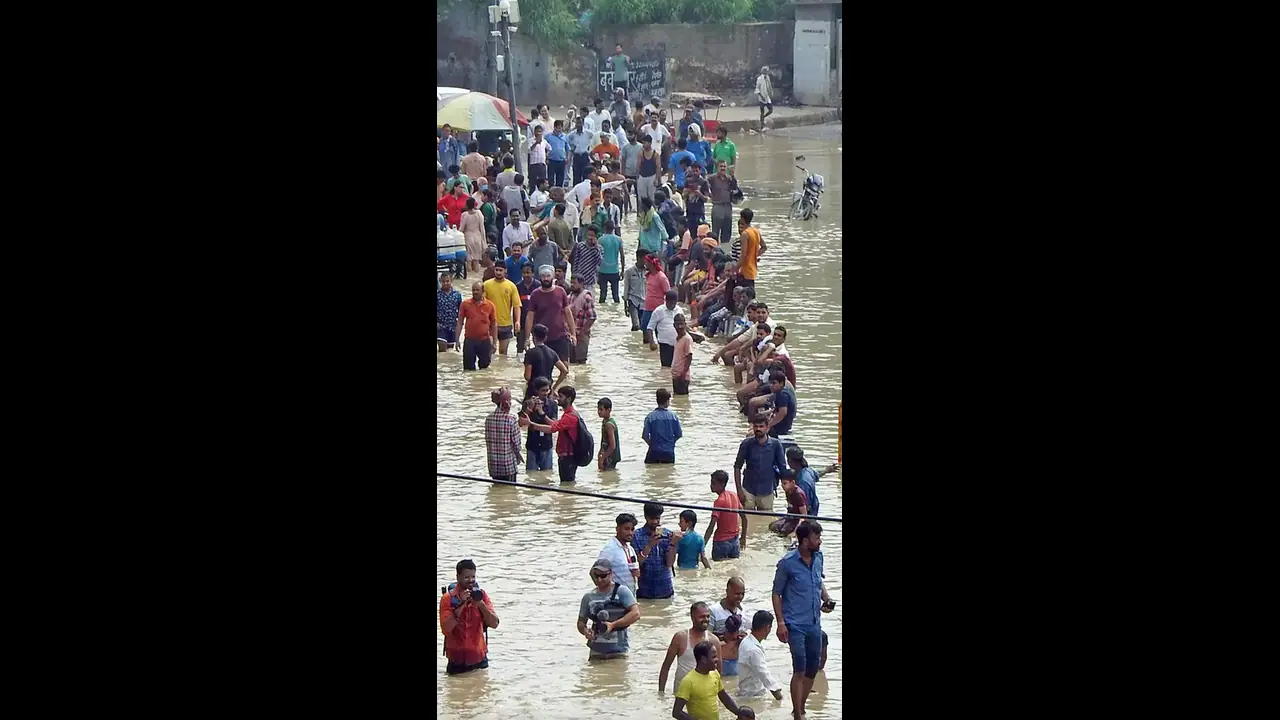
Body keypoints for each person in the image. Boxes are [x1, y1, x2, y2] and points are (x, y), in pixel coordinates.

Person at [772, 521, 834, 720]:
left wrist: (827, 599)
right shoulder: (787, 563)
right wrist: (781, 623)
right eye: (817, 538)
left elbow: (818, 582)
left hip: (815, 622)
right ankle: (798, 714)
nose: (820, 541)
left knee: (812, 669)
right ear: (805, 541)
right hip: (795, 624)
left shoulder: (818, 557)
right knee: (799, 668)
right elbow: (776, 594)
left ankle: (800, 707)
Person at [439, 558, 501, 675]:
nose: (470, 580)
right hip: (456, 662)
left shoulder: (481, 595)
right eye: (466, 577)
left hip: (479, 660)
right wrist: (461, 603)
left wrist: (480, 604)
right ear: (458, 577)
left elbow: (495, 624)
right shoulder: (448, 599)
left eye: (473, 577)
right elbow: (446, 629)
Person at [673, 641, 754, 720]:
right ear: (704, 659)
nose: (717, 660)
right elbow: (676, 712)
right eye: (714, 657)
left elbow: (724, 697)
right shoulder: (688, 681)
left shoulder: (714, 674)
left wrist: (739, 713)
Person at [578, 558, 641, 659]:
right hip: (596, 651)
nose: (599, 579)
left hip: (619, 651)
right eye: (596, 576)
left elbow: (636, 614)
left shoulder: (622, 591)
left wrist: (613, 625)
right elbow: (581, 622)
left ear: (611, 574)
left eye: (603, 576)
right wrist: (585, 630)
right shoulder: (588, 597)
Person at [518, 385, 582, 484]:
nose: (557, 398)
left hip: (567, 456)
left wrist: (531, 424)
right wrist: (539, 412)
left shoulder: (569, 416)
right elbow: (556, 425)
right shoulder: (569, 414)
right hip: (564, 455)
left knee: (566, 485)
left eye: (560, 396)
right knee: (566, 485)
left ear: (568, 399)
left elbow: (553, 429)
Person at [660, 602, 722, 694]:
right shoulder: (680, 637)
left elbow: (718, 671)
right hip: (681, 692)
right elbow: (666, 666)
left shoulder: (714, 640)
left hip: (704, 692)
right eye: (701, 617)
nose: (706, 620)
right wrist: (661, 693)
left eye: (708, 616)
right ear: (692, 618)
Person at [525, 265, 576, 361]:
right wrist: (527, 338)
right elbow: (530, 317)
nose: (546, 278)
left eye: (548, 276)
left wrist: (573, 334)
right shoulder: (535, 294)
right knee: (543, 368)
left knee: (564, 367)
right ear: (540, 277)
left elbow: (568, 313)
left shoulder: (560, 291)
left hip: (561, 335)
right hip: (541, 337)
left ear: (552, 277)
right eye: (543, 276)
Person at [735, 417, 785, 510]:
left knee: (766, 518)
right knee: (746, 517)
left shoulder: (776, 445)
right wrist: (739, 490)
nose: (758, 429)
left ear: (767, 428)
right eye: (756, 426)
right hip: (748, 489)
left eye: (761, 426)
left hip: (767, 490)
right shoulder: (746, 444)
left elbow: (782, 468)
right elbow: (737, 467)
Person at [631, 502, 677, 599]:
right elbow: (636, 564)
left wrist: (673, 544)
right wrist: (650, 545)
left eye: (658, 518)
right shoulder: (636, 536)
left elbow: (669, 563)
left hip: (665, 589)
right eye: (652, 519)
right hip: (644, 590)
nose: (655, 522)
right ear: (645, 517)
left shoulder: (667, 534)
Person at [736, 610, 784, 701]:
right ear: (767, 627)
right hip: (752, 696)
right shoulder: (753, 650)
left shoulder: (746, 641)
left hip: (746, 692)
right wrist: (780, 698)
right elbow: (765, 675)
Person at [455, 280, 497, 371]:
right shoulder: (465, 304)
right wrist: (457, 340)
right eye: (473, 290)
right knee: (468, 370)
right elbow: (460, 322)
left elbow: (494, 324)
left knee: (485, 368)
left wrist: (494, 342)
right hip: (469, 341)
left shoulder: (490, 305)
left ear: (483, 291)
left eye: (477, 290)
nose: (475, 292)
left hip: (484, 341)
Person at [709, 577, 747, 677]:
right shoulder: (713, 611)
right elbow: (706, 639)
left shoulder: (742, 610)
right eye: (737, 593)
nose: (740, 597)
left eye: (742, 593)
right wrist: (724, 638)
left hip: (739, 661)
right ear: (727, 591)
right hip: (721, 662)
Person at [484, 387, 523, 482]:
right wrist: (519, 457)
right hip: (508, 466)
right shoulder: (511, 419)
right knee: (510, 492)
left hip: (493, 466)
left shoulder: (488, 419)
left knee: (497, 491)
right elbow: (516, 444)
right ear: (506, 402)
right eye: (509, 399)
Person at [787, 446, 839, 518]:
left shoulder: (803, 482)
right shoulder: (808, 470)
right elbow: (817, 474)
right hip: (814, 508)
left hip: (807, 513)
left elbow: (804, 504)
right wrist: (827, 470)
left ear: (790, 461)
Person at [703, 470, 745, 558]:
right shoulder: (734, 495)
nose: (711, 485)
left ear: (722, 484)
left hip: (721, 542)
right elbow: (744, 519)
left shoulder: (719, 502)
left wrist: (702, 546)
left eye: (714, 483)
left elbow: (711, 526)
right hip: (735, 542)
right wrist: (743, 537)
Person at [483, 263, 521, 356]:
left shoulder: (511, 286)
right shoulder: (486, 285)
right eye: (497, 270)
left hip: (506, 324)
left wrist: (518, 321)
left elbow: (517, 305)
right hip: (490, 324)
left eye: (501, 270)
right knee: (490, 352)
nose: (498, 273)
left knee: (503, 353)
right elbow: (481, 304)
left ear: (505, 271)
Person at [523, 375, 559, 472]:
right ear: (536, 391)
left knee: (547, 475)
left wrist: (542, 413)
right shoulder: (528, 403)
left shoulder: (553, 405)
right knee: (531, 475)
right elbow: (520, 423)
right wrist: (529, 409)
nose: (546, 393)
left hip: (546, 445)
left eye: (547, 390)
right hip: (532, 445)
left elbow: (554, 425)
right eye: (543, 390)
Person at [596, 512, 640, 591]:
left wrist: (637, 573)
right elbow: (595, 572)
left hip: (630, 597)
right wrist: (604, 593)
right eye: (626, 529)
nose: (630, 533)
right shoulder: (610, 549)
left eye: (632, 529)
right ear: (617, 529)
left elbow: (636, 572)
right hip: (615, 598)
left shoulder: (630, 549)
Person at [523, 323, 568, 398]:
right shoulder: (552, 352)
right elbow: (564, 371)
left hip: (534, 391)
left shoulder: (530, 353)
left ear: (533, 337)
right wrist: (553, 388)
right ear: (545, 338)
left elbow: (527, 376)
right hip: (547, 390)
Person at [641, 388, 682, 464]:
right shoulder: (673, 417)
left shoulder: (650, 417)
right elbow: (679, 435)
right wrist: (671, 443)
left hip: (654, 452)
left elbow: (645, 436)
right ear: (667, 401)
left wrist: (652, 444)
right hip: (668, 453)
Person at [707, 161, 740, 248]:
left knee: (727, 231)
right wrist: (709, 195)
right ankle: (714, 248)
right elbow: (704, 185)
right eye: (721, 166)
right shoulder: (712, 178)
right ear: (717, 167)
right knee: (715, 231)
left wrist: (733, 175)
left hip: (728, 206)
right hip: (717, 206)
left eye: (724, 166)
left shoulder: (729, 178)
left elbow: (735, 188)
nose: (723, 168)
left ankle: (725, 249)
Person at [567, 273, 596, 364]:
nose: (572, 285)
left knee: (581, 361)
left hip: (582, 334)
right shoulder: (570, 297)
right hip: (570, 334)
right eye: (571, 282)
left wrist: (582, 331)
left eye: (574, 283)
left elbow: (592, 317)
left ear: (581, 284)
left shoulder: (586, 298)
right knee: (570, 361)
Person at [769, 471, 810, 536]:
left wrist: (797, 530)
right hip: (790, 517)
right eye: (782, 484)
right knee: (772, 526)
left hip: (797, 519)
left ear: (793, 482)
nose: (782, 486)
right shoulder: (788, 491)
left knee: (783, 532)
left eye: (785, 483)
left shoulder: (798, 495)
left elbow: (804, 515)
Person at [647, 289, 681, 367]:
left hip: (678, 344)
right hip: (665, 344)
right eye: (670, 303)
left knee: (677, 367)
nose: (672, 305)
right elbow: (650, 328)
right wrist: (652, 342)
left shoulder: (679, 310)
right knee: (666, 367)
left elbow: (684, 326)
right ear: (666, 301)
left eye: (674, 303)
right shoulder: (658, 311)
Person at [597, 220, 624, 303]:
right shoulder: (619, 240)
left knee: (602, 295)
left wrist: (596, 272)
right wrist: (622, 270)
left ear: (604, 228)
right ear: (614, 228)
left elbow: (597, 256)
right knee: (616, 296)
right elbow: (622, 256)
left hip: (602, 270)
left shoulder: (600, 240)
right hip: (614, 270)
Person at [570, 224, 604, 290]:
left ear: (596, 236)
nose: (590, 237)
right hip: (579, 280)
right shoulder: (580, 246)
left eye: (592, 236)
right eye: (589, 235)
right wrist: (574, 276)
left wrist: (596, 248)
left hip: (590, 281)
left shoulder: (600, 248)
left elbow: (600, 262)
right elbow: (576, 262)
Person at [514, 263, 538, 356]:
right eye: (524, 273)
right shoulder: (518, 287)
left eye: (528, 272)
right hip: (522, 320)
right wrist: (516, 321)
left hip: (536, 320)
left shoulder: (538, 286)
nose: (526, 275)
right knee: (520, 346)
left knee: (538, 344)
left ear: (533, 273)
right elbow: (515, 306)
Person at [737, 208, 764, 290]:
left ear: (742, 218)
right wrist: (754, 255)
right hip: (753, 270)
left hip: (745, 270)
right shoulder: (755, 231)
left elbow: (743, 254)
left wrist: (736, 268)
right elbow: (764, 247)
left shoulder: (745, 234)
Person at [623, 249, 649, 332]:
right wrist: (625, 306)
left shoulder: (648, 272)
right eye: (644, 259)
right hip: (633, 301)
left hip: (644, 302)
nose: (646, 262)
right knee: (636, 324)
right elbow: (626, 288)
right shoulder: (629, 272)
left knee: (642, 325)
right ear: (638, 258)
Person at [458, 197, 487, 274]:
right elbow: (482, 228)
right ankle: (476, 278)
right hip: (478, 237)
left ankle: (469, 278)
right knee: (477, 260)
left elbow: (461, 228)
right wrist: (484, 241)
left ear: (467, 205)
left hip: (468, 238)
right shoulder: (479, 213)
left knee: (469, 260)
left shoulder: (465, 215)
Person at [766, 371, 797, 437]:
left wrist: (768, 425)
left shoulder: (782, 395)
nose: (771, 385)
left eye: (774, 383)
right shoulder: (784, 391)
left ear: (781, 383)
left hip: (781, 429)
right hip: (786, 426)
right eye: (770, 383)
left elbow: (783, 412)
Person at [437, 272, 462, 351]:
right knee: (442, 349)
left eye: (447, 281)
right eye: (443, 281)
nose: (445, 283)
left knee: (450, 352)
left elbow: (461, 310)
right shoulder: (437, 294)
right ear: (440, 281)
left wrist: (460, 323)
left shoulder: (457, 295)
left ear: (451, 280)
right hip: (440, 326)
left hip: (453, 327)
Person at [567, 115, 594, 188]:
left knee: (586, 175)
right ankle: (576, 193)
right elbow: (568, 143)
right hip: (576, 156)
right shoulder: (572, 135)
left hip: (585, 156)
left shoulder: (589, 133)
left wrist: (590, 150)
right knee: (576, 176)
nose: (578, 125)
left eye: (580, 123)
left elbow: (594, 141)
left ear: (583, 123)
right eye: (577, 123)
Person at [672, 313, 693, 395]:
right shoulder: (677, 338)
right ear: (674, 325)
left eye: (682, 324)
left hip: (682, 376)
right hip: (676, 375)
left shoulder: (687, 339)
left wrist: (683, 373)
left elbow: (689, 356)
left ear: (685, 324)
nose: (680, 326)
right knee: (678, 400)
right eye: (678, 324)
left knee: (681, 398)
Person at [597, 397, 621, 471]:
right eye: (598, 409)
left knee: (607, 476)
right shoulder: (605, 421)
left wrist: (603, 457)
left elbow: (612, 446)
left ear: (609, 410)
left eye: (601, 409)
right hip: (607, 454)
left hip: (610, 457)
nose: (598, 412)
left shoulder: (609, 424)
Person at [546, 120, 569, 187]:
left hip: (561, 161)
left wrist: (567, 158)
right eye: (558, 128)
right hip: (551, 160)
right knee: (551, 178)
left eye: (561, 128)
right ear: (554, 127)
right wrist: (546, 158)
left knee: (560, 178)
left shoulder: (565, 136)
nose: (559, 130)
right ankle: (551, 190)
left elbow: (567, 148)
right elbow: (544, 148)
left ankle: (558, 190)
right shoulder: (548, 136)